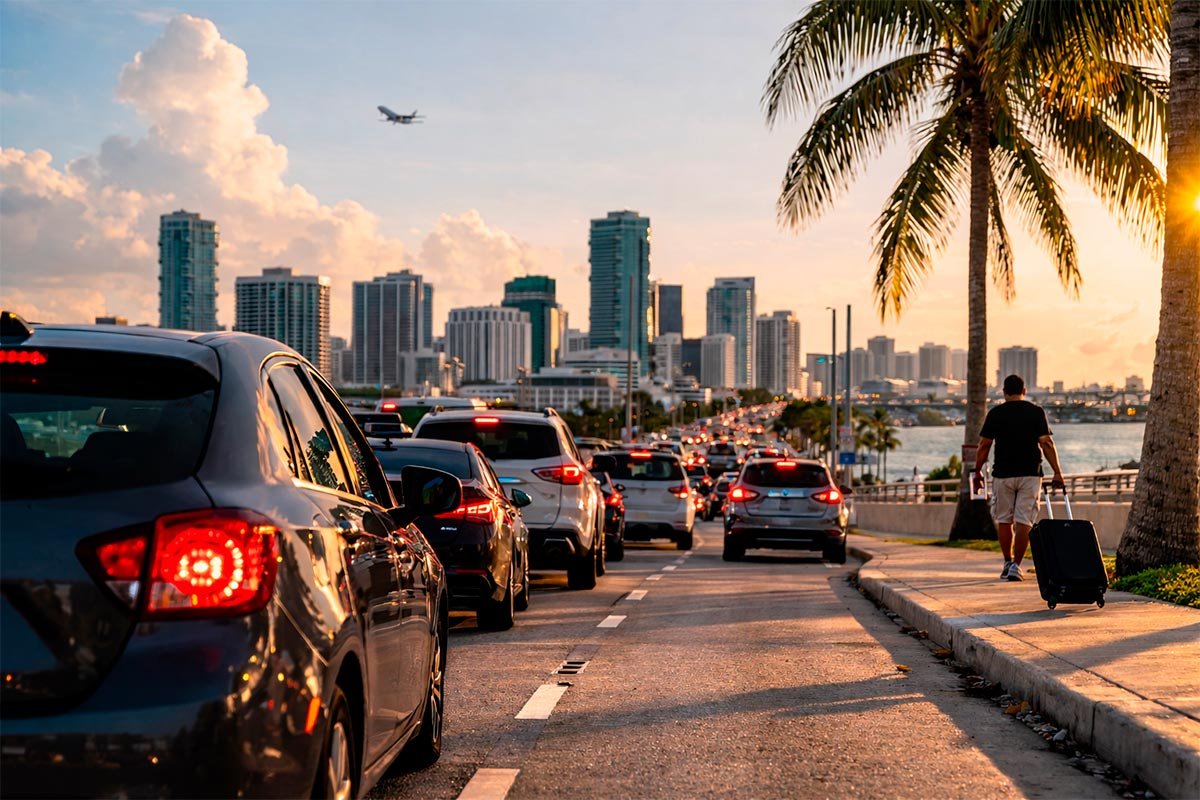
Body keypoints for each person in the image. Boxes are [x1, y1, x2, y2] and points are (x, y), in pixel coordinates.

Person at [972, 374, 1065, 581]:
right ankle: (1016, 566)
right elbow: (1046, 443)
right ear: (1024, 391)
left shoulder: (995, 413)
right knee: (1024, 521)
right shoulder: (1035, 412)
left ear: (1004, 392)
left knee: (1004, 520)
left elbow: (984, 446)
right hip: (1030, 474)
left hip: (1002, 474)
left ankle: (1006, 561)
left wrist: (977, 471)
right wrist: (1057, 472)